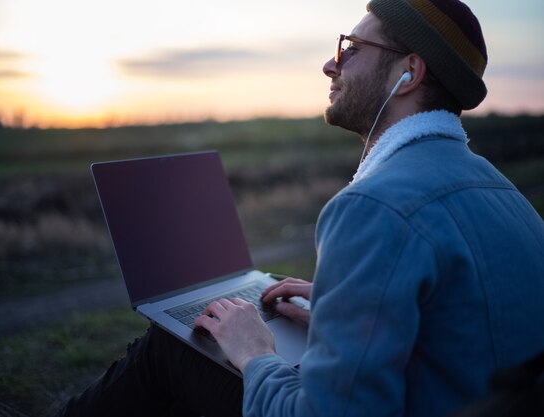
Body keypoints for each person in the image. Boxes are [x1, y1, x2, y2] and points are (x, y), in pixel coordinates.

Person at [57, 0, 544, 416]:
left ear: (408, 74)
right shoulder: (505, 195)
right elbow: (465, 338)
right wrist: (342, 309)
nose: (331, 66)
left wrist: (254, 355)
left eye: (351, 50)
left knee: (173, 348)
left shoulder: (373, 206)